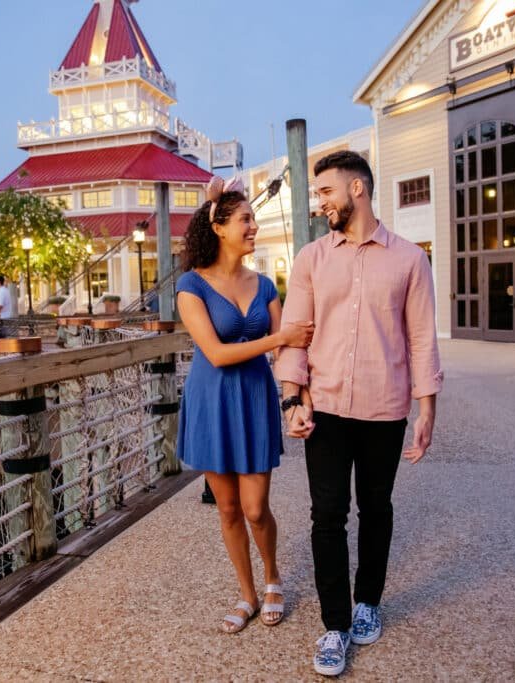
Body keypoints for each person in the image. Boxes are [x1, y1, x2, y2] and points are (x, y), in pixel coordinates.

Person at [274, 151, 443, 676]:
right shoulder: (310, 259)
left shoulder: (411, 260)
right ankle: (335, 625)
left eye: (326, 192)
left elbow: (421, 338)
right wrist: (291, 400)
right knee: (327, 516)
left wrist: (426, 408)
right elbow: (297, 338)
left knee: (376, 508)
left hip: (384, 407)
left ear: (358, 189)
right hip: (323, 407)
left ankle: (368, 599)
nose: (319, 202)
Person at [176, 175, 314, 634]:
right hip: (212, 399)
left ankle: (273, 578)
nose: (253, 227)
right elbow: (215, 353)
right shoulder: (191, 286)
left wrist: (296, 399)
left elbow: (288, 350)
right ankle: (248, 594)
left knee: (256, 508)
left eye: (253, 219)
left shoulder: (266, 285)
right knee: (228, 509)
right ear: (218, 228)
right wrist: (279, 337)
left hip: (254, 398)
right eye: (245, 220)